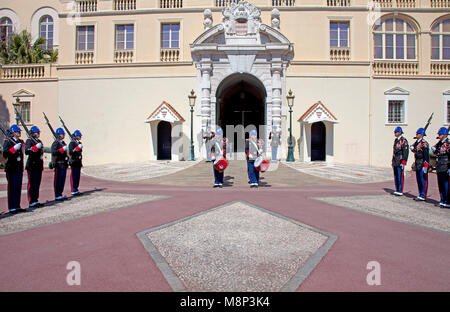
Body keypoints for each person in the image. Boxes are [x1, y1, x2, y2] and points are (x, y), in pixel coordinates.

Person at [2, 125, 26, 214]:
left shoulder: (20, 141)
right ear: (13, 133)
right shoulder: (8, 142)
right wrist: (13, 149)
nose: (19, 133)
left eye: (19, 131)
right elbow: (5, 154)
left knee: (18, 188)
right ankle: (12, 207)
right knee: (12, 188)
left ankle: (17, 205)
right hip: (11, 168)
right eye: (17, 131)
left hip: (18, 168)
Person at [24, 126, 44, 208]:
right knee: (31, 183)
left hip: (38, 165)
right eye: (36, 132)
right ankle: (31, 200)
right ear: (32, 133)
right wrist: (35, 147)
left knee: (37, 183)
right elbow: (27, 151)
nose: (38, 134)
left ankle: (35, 199)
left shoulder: (38, 141)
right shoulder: (29, 141)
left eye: (38, 132)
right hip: (32, 165)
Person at [432, 127, 450, 208]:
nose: (439, 135)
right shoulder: (439, 143)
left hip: (446, 165)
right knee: (440, 185)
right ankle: (442, 200)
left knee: (446, 185)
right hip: (439, 166)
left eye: (441, 134)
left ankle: (447, 201)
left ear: (445, 135)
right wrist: (434, 149)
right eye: (439, 134)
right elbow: (436, 152)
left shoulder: (448, 143)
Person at [410, 128, 430, 201]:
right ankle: (420, 193)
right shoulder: (417, 142)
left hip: (422, 162)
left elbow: (426, 155)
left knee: (423, 179)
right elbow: (415, 151)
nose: (416, 135)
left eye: (417, 134)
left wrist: (426, 165)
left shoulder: (424, 143)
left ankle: (423, 195)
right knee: (418, 179)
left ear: (421, 135)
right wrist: (412, 148)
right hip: (417, 162)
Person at [51, 127, 69, 201]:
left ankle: (60, 194)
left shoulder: (62, 143)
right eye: (62, 134)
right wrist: (61, 149)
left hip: (63, 163)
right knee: (58, 180)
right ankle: (57, 194)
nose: (63, 135)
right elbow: (54, 152)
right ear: (58, 135)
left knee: (62, 180)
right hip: (58, 163)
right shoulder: (56, 143)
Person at [391, 126, 409, 196]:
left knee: (400, 175)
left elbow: (405, 152)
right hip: (395, 160)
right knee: (396, 175)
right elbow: (394, 151)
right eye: (394, 132)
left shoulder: (403, 141)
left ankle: (400, 190)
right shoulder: (396, 140)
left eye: (396, 132)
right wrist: (393, 160)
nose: (395, 133)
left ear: (400, 132)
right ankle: (397, 189)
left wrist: (404, 161)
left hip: (400, 160)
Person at [68, 130, 83, 196]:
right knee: (73, 176)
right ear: (76, 136)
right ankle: (73, 190)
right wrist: (77, 148)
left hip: (78, 162)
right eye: (79, 136)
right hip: (74, 161)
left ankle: (76, 189)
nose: (80, 137)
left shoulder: (78, 142)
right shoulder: (72, 143)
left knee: (77, 176)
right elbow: (71, 152)